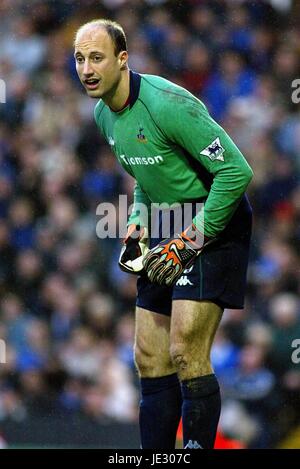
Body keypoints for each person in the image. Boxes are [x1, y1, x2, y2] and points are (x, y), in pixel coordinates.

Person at [74, 18, 253, 449]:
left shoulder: (168, 103)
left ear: (122, 59)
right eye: (79, 59)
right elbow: (146, 177)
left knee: (185, 351)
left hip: (214, 217)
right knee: (148, 358)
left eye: (96, 58)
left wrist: (188, 241)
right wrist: (138, 220)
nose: (86, 69)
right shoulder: (103, 114)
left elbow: (236, 172)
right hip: (166, 223)